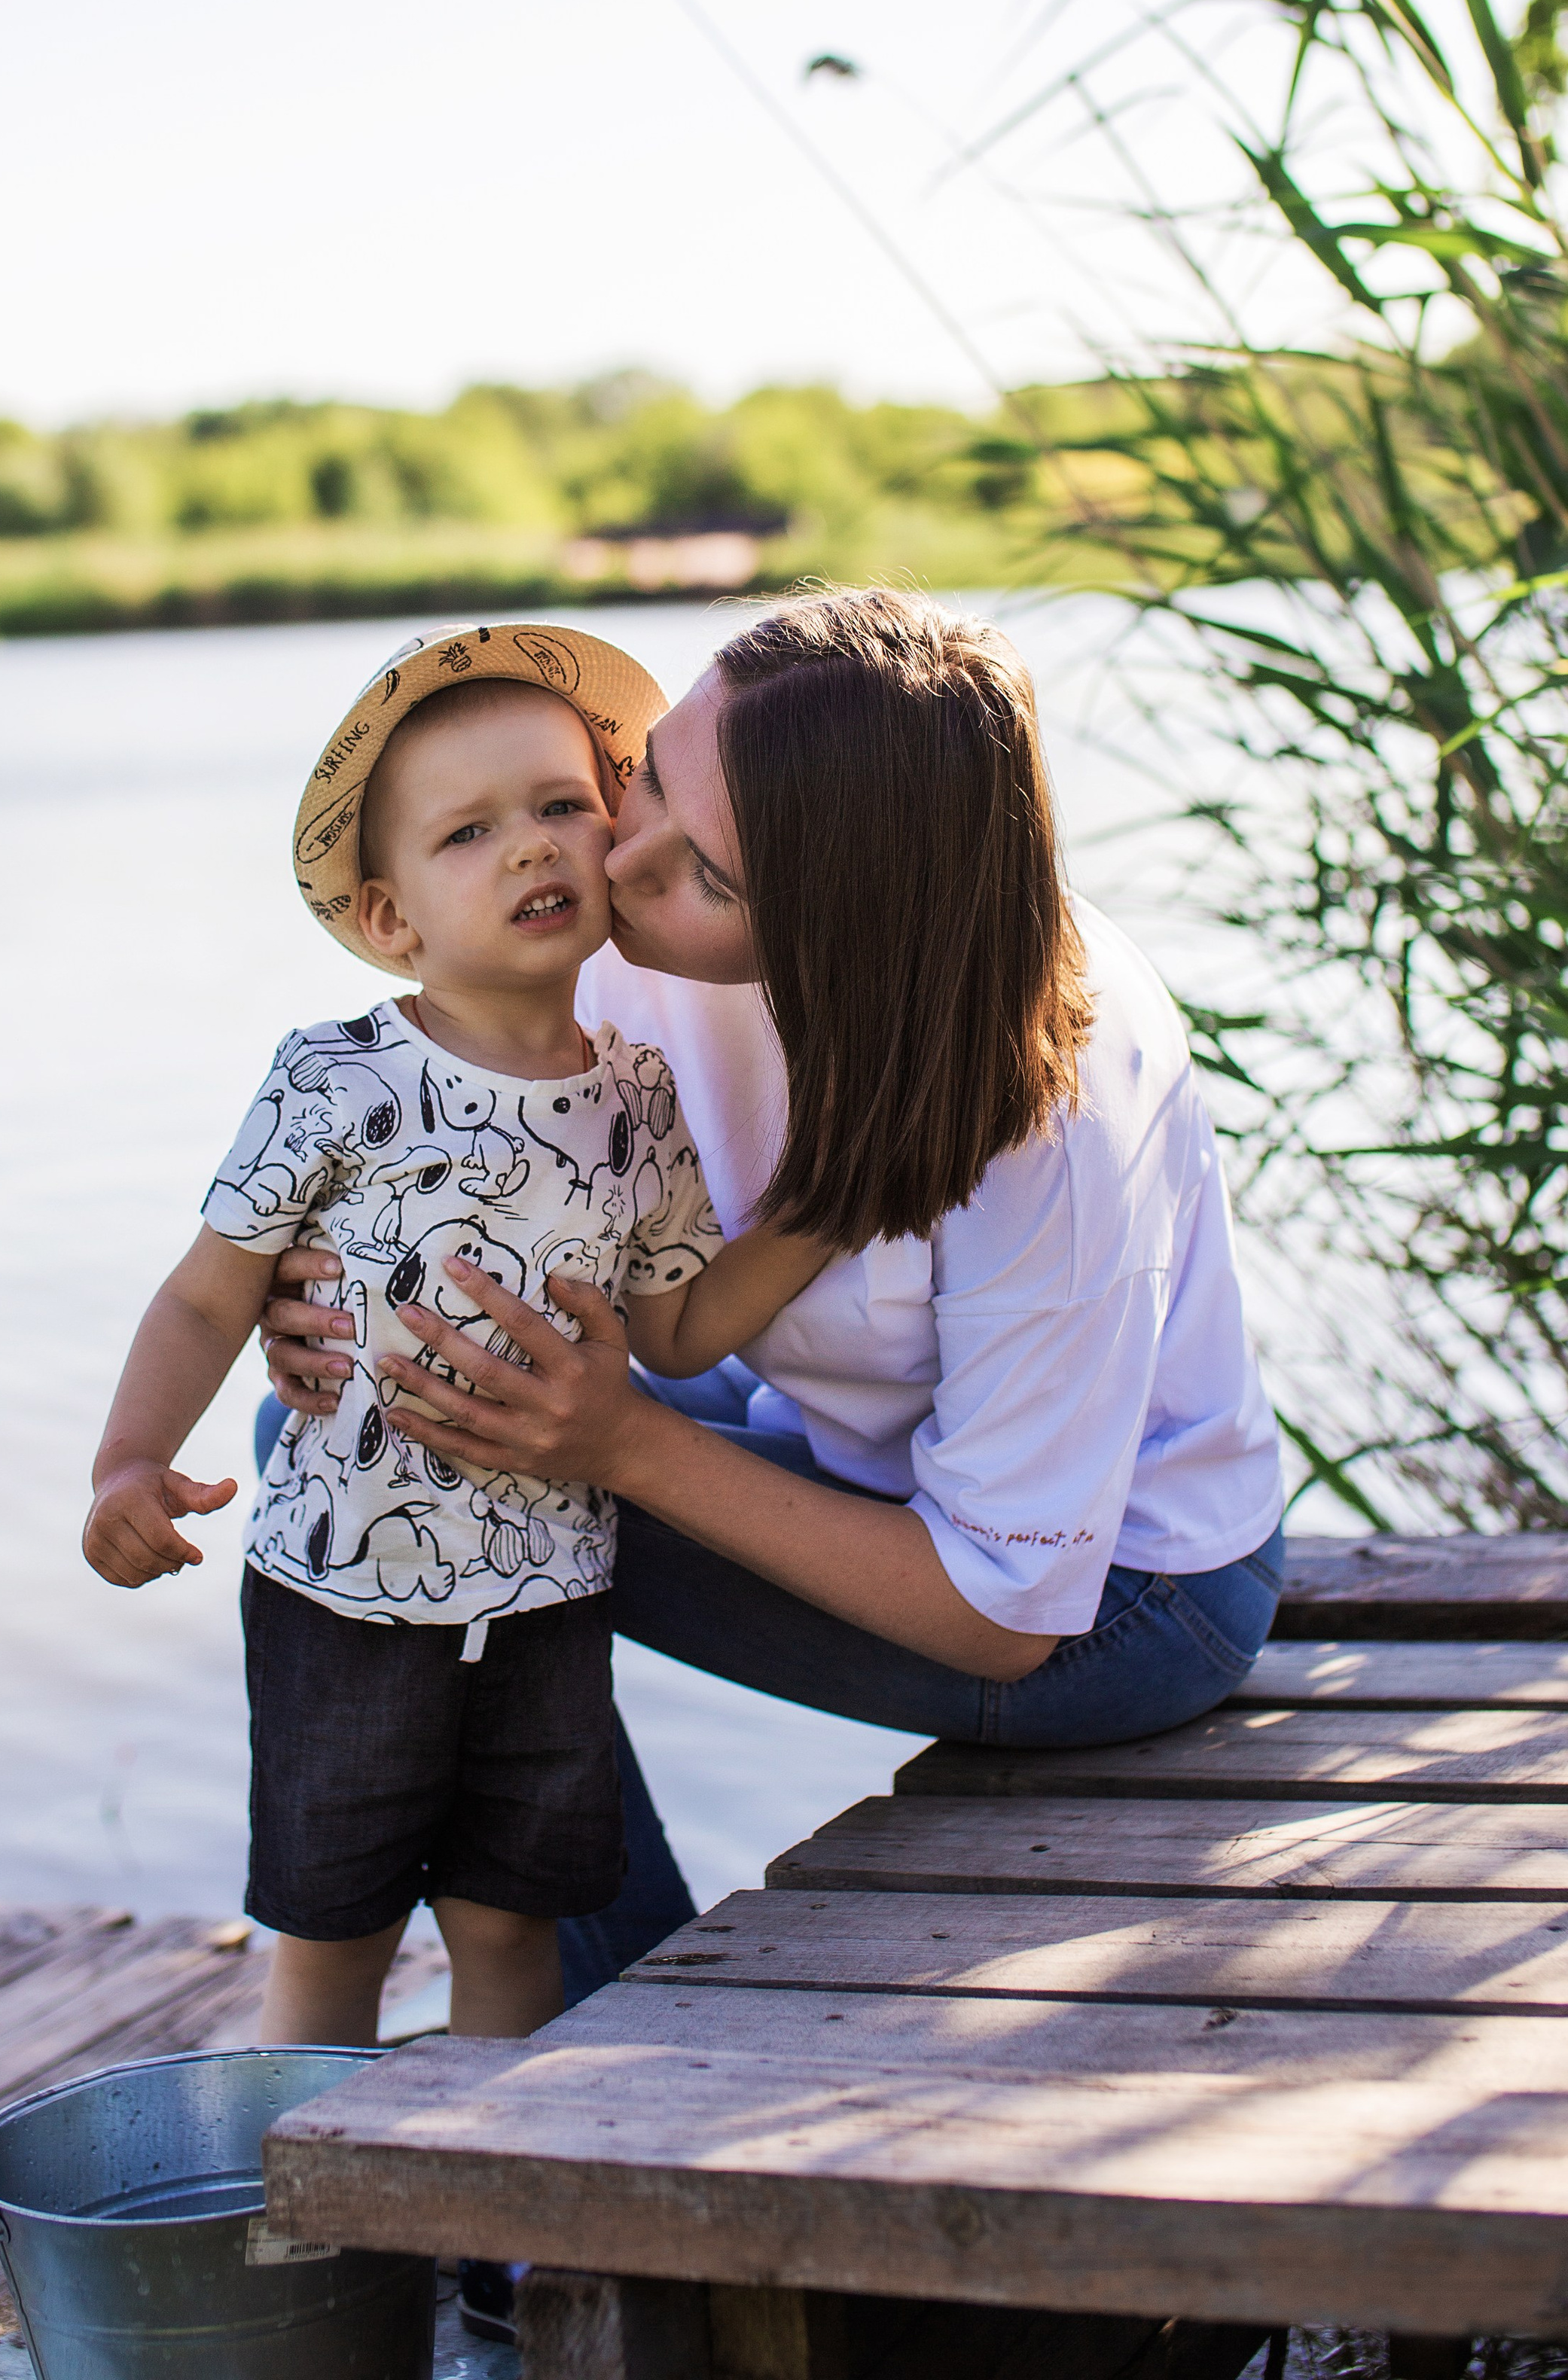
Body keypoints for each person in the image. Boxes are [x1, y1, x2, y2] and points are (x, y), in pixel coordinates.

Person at [255, 586, 1288, 2000]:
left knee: (478, 1446)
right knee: (386, 1417)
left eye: (712, 882)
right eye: (655, 774)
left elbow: (1009, 1605)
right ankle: (570, 1971)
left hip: (1117, 1599)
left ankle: (614, 2007)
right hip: (825, 1419)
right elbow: (475, 1177)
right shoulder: (622, 911)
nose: (620, 863)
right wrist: (340, 1295)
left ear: (835, 938)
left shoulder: (1048, 1108)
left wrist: (620, 1447)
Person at [81, 619, 828, 2053]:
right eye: (471, 831)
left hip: (545, 1603)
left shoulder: (640, 1095)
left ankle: (503, 2251)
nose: (533, 849)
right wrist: (130, 1460)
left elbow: (675, 1331)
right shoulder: (332, 1079)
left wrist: (826, 1210)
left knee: (509, 1930)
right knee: (335, 1937)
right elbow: (205, 1292)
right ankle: (321, 2247)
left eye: (562, 806)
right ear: (390, 919)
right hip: (341, 1602)